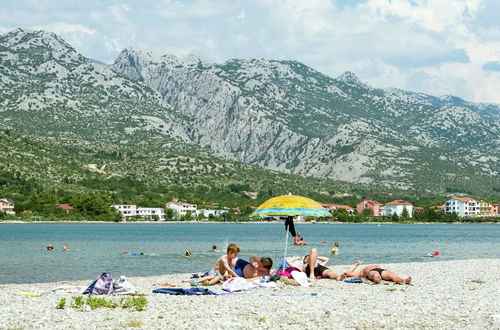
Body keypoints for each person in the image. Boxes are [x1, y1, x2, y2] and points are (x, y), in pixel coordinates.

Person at [342, 260, 412, 284]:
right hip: (371, 272)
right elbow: (347, 273)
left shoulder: (360, 272)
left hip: (381, 270)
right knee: (375, 274)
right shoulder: (359, 274)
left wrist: (356, 265)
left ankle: (403, 280)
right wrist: (355, 265)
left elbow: (348, 273)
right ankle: (378, 280)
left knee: (391, 275)